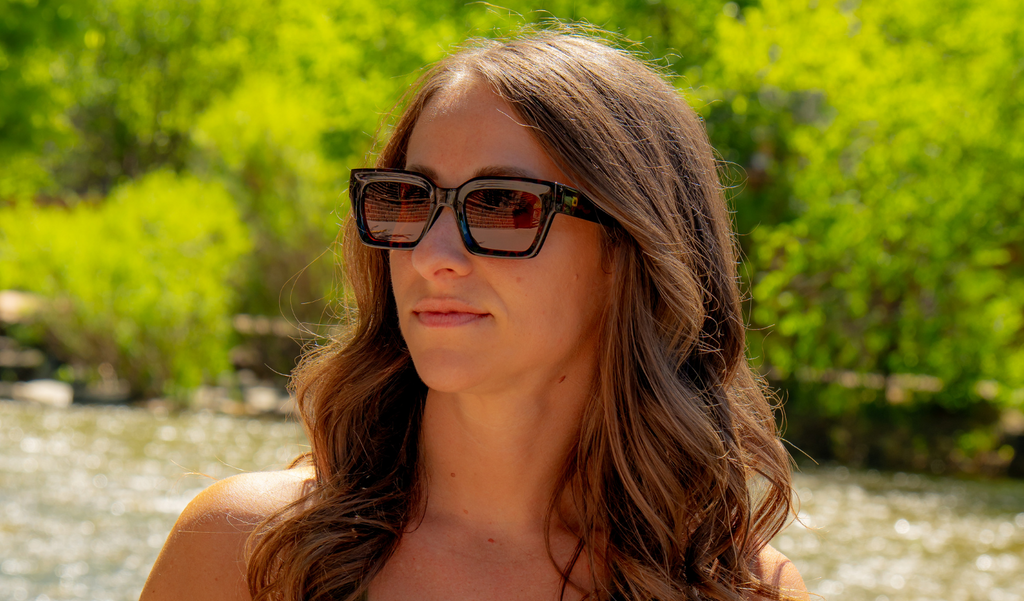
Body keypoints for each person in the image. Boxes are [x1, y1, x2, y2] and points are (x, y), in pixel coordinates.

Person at [141, 30, 808, 601]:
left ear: (630, 252)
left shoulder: (738, 587)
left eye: (503, 206)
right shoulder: (247, 551)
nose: (433, 254)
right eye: (409, 199)